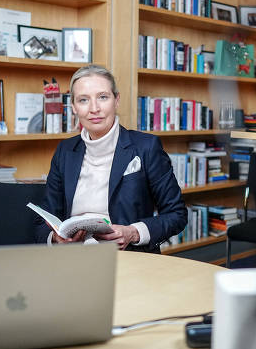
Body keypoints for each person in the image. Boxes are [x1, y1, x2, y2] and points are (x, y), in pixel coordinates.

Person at [34, 65, 187, 251]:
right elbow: (43, 221)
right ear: (73, 107)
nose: (94, 108)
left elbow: (177, 214)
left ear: (116, 100)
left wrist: (133, 232)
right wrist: (56, 238)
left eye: (103, 97)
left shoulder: (146, 147)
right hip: (73, 258)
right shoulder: (65, 151)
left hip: (129, 259)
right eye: (83, 100)